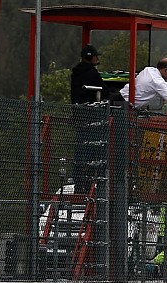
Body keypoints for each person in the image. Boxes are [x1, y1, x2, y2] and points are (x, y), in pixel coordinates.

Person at [70, 45, 107, 194]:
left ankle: (79, 185)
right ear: (91, 57)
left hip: (79, 116)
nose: (98, 58)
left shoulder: (76, 72)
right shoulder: (91, 73)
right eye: (96, 56)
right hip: (92, 118)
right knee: (94, 151)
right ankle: (90, 184)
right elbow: (103, 90)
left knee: (80, 150)